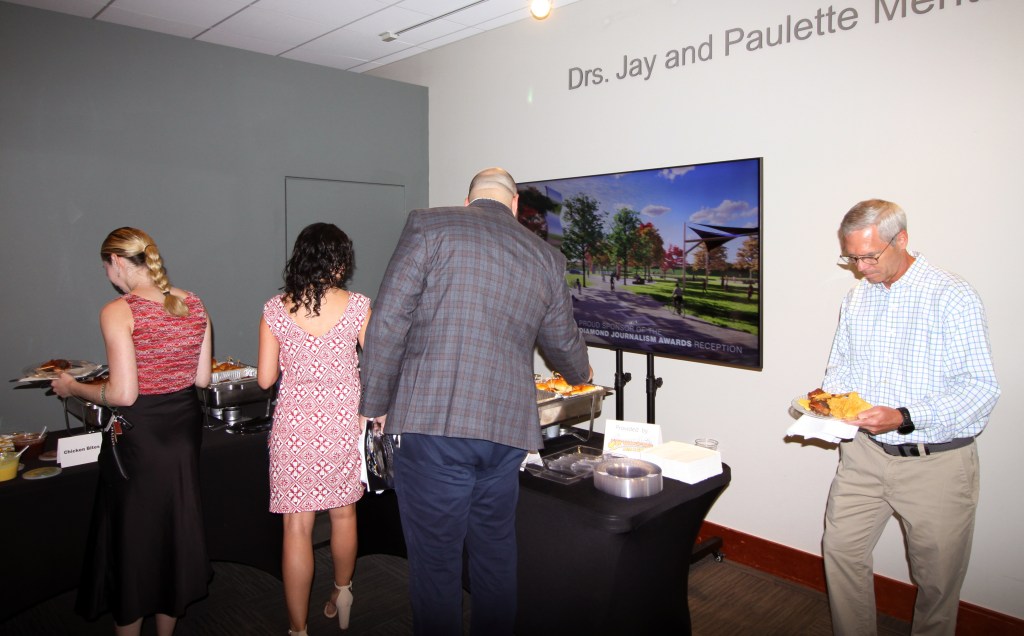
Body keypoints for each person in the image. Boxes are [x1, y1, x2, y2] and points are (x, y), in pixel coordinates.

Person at [359, 167, 591, 635]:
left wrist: (375, 405)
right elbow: (563, 344)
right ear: (515, 206)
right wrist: (581, 373)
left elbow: (388, 321)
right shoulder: (546, 256)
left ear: (468, 200)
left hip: (433, 425)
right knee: (495, 553)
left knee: (436, 564)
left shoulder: (429, 225)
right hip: (506, 434)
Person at [819, 199, 1000, 636]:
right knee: (841, 552)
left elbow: (980, 389)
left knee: (937, 582)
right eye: (851, 258)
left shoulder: (951, 296)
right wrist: (831, 406)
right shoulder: (858, 298)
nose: (861, 268)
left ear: (901, 239)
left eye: (869, 256)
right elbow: (840, 368)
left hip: (935, 463)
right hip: (864, 455)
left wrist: (902, 416)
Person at [51, 227, 213, 636]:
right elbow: (202, 379)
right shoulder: (193, 303)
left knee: (134, 540)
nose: (108, 275)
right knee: (172, 531)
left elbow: (124, 394)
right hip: (183, 430)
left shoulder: (118, 311)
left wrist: (73, 387)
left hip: (141, 437)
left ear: (117, 262)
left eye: (106, 267)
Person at [257, 223, 371, 636]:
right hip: (343, 424)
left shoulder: (275, 309)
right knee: (344, 513)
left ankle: (298, 628)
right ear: (339, 261)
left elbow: (266, 380)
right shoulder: (358, 306)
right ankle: (343, 591)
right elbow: (378, 368)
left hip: (294, 428)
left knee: (296, 526)